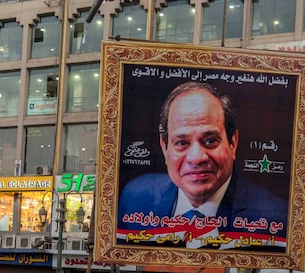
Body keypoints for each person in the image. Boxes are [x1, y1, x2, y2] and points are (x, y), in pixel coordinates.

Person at [117, 81, 288, 251]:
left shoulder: (275, 217)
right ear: (165, 147)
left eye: (210, 141)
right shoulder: (134, 197)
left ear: (233, 143)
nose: (196, 158)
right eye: (182, 142)